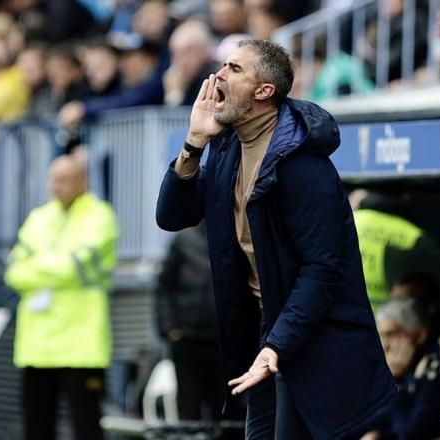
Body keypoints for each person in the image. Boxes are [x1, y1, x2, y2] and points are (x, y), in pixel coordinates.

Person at [156, 39, 396, 439]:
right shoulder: (227, 146)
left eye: (234, 69)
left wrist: (277, 347)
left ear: (263, 91)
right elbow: (172, 216)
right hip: (268, 335)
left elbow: (322, 270)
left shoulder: (303, 164)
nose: (217, 77)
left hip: (310, 340)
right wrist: (194, 143)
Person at [4, 155, 119, 440]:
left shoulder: (100, 215)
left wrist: (37, 265)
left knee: (86, 427)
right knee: (36, 427)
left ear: (84, 181)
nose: (55, 186)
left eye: (64, 179)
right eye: (52, 179)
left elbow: (76, 266)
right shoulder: (38, 217)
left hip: (81, 344)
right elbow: (13, 272)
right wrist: (55, 265)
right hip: (37, 345)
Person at [364, 298, 440, 440]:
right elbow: (389, 418)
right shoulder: (415, 361)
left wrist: (397, 382)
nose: (386, 345)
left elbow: (413, 434)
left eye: (392, 334)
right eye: (384, 336)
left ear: (420, 335)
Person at [154, 222, 225, 422]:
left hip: (221, 339)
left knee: (223, 406)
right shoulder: (184, 239)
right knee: (188, 405)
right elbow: (164, 285)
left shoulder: (231, 236)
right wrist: (169, 329)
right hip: (186, 337)